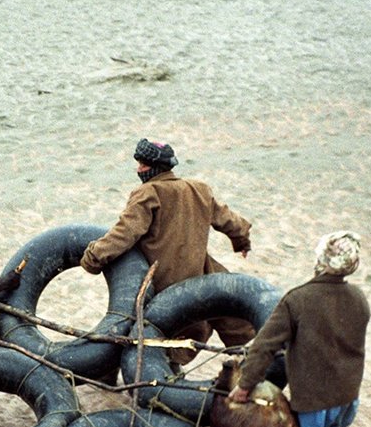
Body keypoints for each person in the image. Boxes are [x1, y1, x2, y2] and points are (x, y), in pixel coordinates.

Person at [228, 230, 370, 427]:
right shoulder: (359, 299)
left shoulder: (298, 300)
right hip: (348, 393)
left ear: (320, 259)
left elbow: (264, 347)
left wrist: (244, 386)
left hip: (315, 398)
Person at [79, 138, 256, 357]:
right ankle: (248, 364)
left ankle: (123, 376)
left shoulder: (148, 192)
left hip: (162, 281)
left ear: (154, 167)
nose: (138, 169)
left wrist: (92, 258)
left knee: (135, 330)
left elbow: (124, 233)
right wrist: (242, 243)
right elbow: (230, 221)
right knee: (226, 321)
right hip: (199, 275)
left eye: (142, 165)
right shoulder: (199, 189)